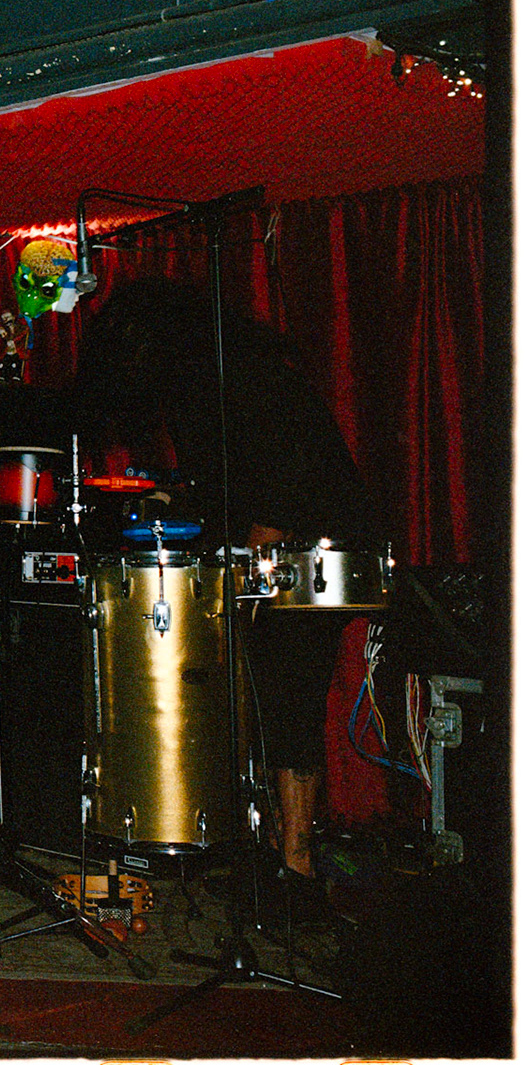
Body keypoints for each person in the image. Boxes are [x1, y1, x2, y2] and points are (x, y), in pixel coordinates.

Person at [75, 277, 385, 907]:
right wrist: (171, 498)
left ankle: (296, 863)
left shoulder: (241, 375)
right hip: (285, 544)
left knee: (287, 697)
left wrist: (246, 574)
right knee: (263, 698)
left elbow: (280, 485)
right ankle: (275, 847)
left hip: (310, 551)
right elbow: (231, 486)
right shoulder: (201, 385)